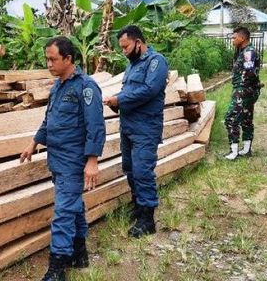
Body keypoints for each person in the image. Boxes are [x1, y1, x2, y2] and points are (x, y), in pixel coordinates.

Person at [20, 36, 105, 281]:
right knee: (74, 208)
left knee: (63, 213)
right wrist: (34, 142)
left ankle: (57, 268)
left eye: (53, 59)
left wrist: (92, 160)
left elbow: (96, 126)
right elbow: (50, 120)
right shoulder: (58, 86)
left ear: (68, 59)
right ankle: (80, 254)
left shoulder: (86, 87)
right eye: (47, 59)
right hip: (56, 159)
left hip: (73, 161)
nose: (48, 64)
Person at [103, 25, 168, 238]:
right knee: (130, 169)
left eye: (125, 47)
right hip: (128, 126)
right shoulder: (131, 66)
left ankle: (147, 219)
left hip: (145, 128)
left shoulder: (156, 62)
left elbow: (149, 90)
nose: (123, 51)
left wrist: (120, 99)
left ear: (138, 42)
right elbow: (129, 91)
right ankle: (138, 206)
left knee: (142, 172)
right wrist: (115, 102)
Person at [224, 27, 262, 160]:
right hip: (246, 90)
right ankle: (246, 150)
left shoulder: (248, 52)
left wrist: (243, 89)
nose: (233, 40)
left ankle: (233, 152)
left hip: (244, 90)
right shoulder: (244, 51)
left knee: (230, 118)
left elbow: (249, 73)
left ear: (242, 38)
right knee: (246, 119)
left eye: (234, 37)